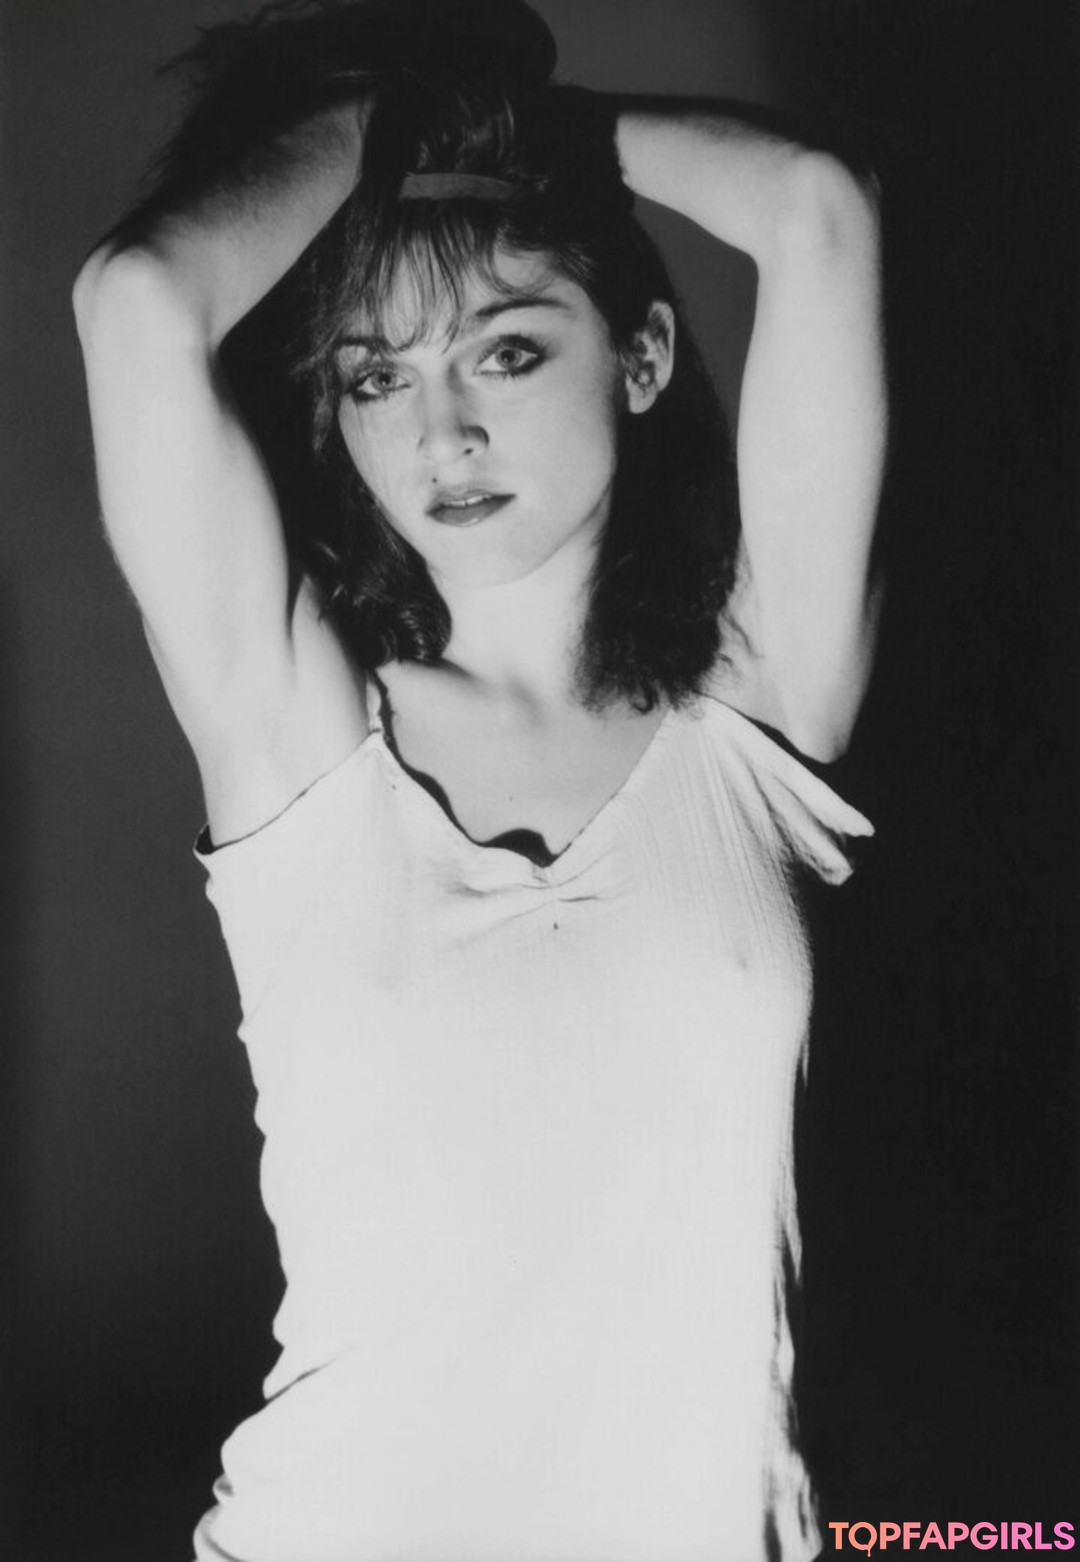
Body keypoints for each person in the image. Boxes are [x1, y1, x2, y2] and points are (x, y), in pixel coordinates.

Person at [73, 1, 886, 1557]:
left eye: (506, 350)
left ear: (641, 356)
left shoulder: (760, 715)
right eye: (377, 378)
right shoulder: (298, 737)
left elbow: (817, 207)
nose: (443, 429)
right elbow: (137, 297)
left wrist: (511, 131)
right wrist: (404, 116)